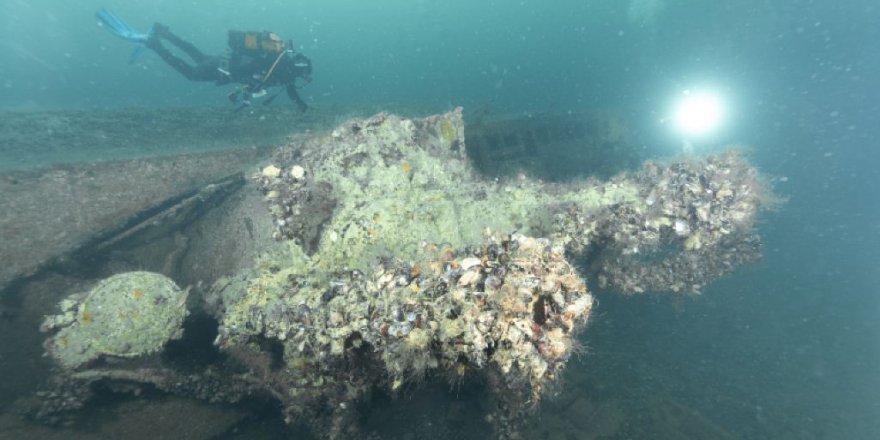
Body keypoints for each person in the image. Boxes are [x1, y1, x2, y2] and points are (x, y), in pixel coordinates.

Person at [95, 9, 312, 112]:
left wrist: (300, 104)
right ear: (297, 71)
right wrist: (249, 88)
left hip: (223, 60)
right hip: (224, 69)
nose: (301, 79)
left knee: (198, 55)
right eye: (303, 76)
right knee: (191, 73)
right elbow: (254, 76)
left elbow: (289, 89)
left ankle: (165, 34)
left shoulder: (282, 66)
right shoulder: (282, 70)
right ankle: (155, 44)